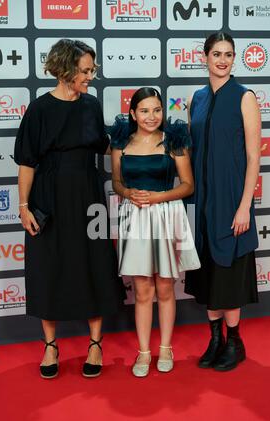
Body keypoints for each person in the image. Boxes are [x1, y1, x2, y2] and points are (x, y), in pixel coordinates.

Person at [15, 39, 125, 379]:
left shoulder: (91, 106)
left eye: (92, 70)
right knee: (48, 265)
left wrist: (147, 140)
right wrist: (23, 205)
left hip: (88, 194)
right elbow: (27, 162)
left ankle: (95, 343)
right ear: (65, 70)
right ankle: (50, 346)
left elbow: (106, 146)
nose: (91, 76)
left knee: (94, 262)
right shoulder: (39, 109)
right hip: (48, 196)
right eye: (85, 70)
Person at [111, 87, 200, 377]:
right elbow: (116, 183)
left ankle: (165, 348)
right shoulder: (121, 142)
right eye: (145, 111)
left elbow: (188, 185)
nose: (152, 116)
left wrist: (156, 197)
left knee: (164, 287)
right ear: (133, 114)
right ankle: (143, 352)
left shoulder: (173, 140)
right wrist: (128, 192)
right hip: (134, 217)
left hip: (166, 215)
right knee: (142, 289)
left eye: (157, 110)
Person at [184, 32, 261, 371]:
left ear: (234, 58)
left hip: (232, 201)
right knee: (209, 275)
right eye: (216, 53)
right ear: (204, 56)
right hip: (202, 202)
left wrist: (245, 206)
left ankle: (236, 341)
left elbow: (254, 157)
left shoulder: (245, 97)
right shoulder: (196, 99)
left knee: (229, 274)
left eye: (229, 54)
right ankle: (215, 338)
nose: (222, 60)